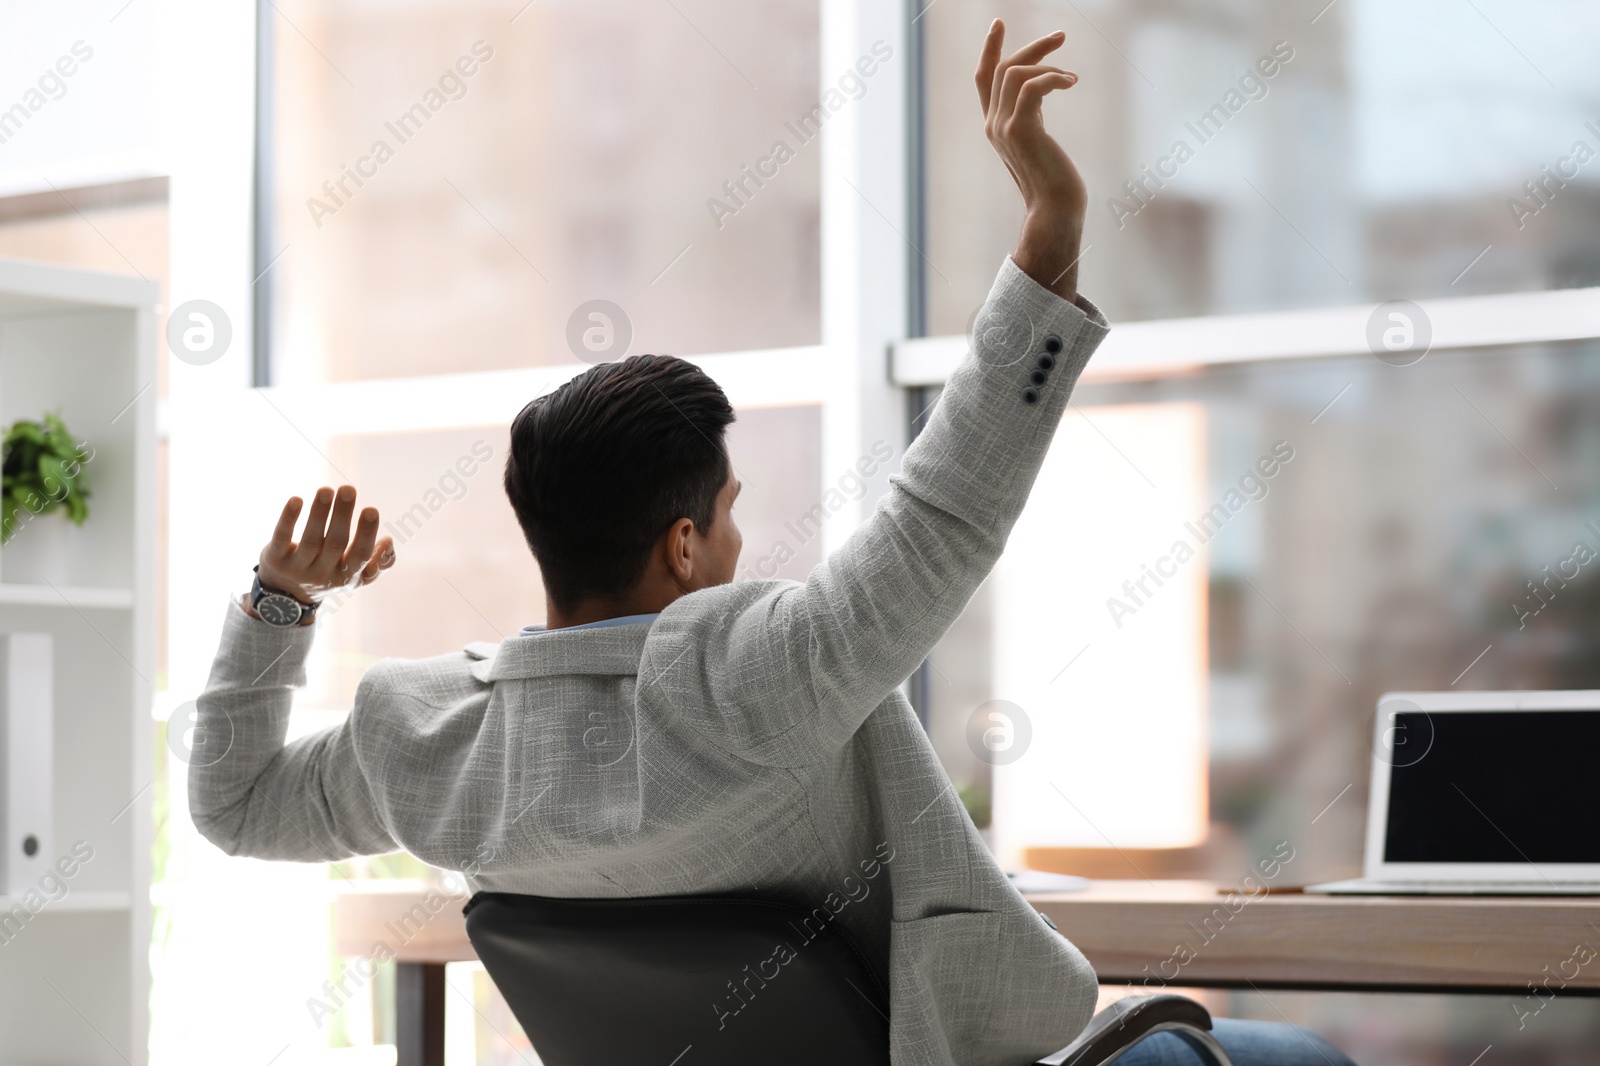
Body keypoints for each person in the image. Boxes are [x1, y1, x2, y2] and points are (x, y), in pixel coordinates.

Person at [191, 20, 1357, 1066]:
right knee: (1293, 1054)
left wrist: (279, 602)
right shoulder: (754, 675)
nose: (745, 541)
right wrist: (1050, 227)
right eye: (734, 511)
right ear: (685, 543)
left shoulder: (426, 736)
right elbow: (943, 510)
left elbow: (233, 807)